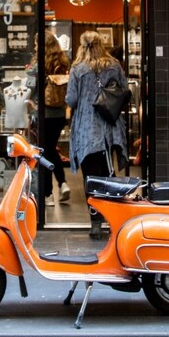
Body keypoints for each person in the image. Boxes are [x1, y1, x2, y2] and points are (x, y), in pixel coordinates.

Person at [65, 30, 128, 239]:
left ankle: (95, 223)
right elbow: (125, 91)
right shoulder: (114, 65)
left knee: (90, 177)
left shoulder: (77, 69)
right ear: (102, 44)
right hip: (110, 127)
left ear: (82, 46)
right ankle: (112, 219)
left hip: (86, 128)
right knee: (109, 175)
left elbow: (71, 100)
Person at [40, 31, 71, 206]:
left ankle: (48, 193)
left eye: (37, 43)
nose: (36, 47)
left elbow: (34, 85)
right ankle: (63, 183)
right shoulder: (63, 61)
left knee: (45, 151)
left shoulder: (41, 62)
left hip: (45, 112)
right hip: (59, 112)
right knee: (50, 149)